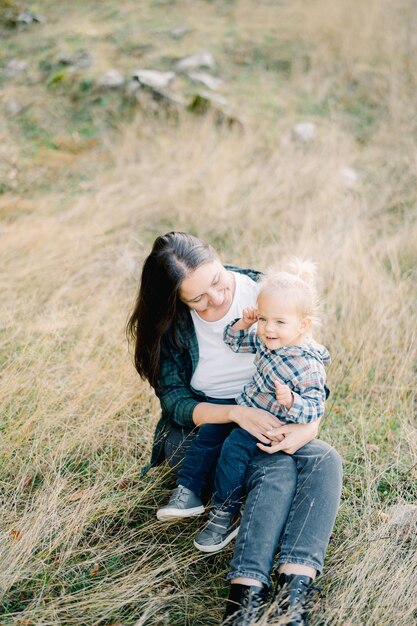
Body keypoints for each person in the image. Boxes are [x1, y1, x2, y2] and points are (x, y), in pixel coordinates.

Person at [127, 232, 342, 626]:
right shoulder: (173, 327)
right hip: (206, 429)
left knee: (325, 460)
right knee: (275, 470)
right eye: (199, 298)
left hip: (269, 416)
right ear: (178, 302)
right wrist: (238, 415)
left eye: (217, 281)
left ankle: (296, 589)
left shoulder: (268, 293)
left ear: (219, 258)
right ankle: (244, 599)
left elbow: (309, 367)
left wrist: (308, 428)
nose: (218, 299)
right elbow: (176, 403)